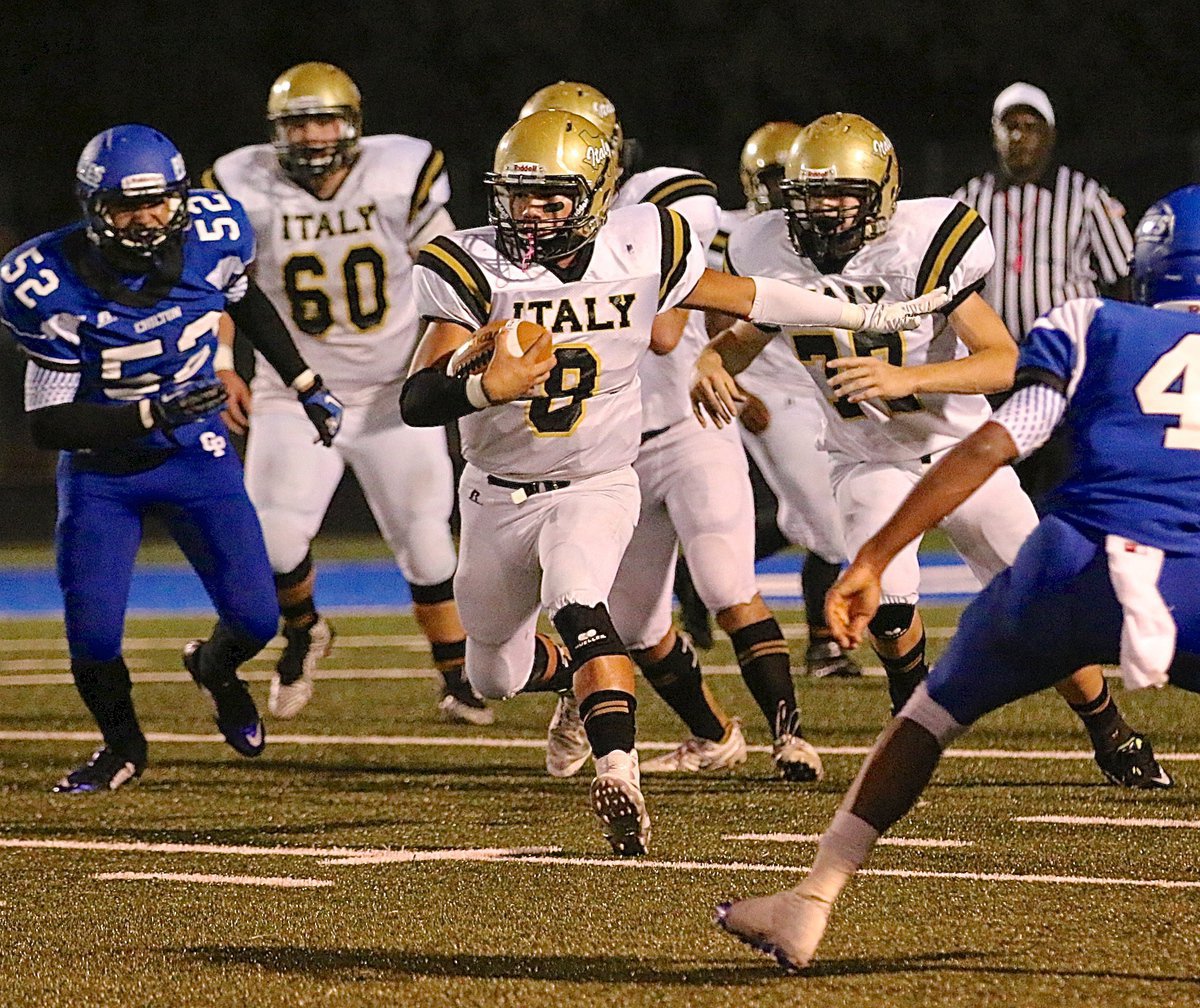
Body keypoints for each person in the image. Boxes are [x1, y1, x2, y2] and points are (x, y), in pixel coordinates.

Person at [400, 108, 945, 853]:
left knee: (579, 597)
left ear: (596, 198)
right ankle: (565, 681)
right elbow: (415, 398)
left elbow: (754, 297)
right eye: (517, 196)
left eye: (551, 199)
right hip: (495, 491)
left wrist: (864, 308)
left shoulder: (639, 241)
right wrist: (484, 388)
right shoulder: (471, 264)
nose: (529, 215)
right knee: (492, 673)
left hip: (596, 479)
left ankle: (619, 770)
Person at [713, 184, 1200, 972]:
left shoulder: (1091, 322)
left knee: (929, 717)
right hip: (1188, 570)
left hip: (1076, 561)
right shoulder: (782, 256)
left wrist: (868, 558)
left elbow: (1001, 437)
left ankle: (811, 902)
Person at [692, 113, 1166, 786]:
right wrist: (712, 359)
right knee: (886, 600)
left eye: (840, 196)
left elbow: (1004, 361)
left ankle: (1109, 728)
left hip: (958, 449)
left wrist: (907, 376)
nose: (822, 212)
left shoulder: (922, 243)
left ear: (880, 194)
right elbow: (747, 334)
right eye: (809, 196)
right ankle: (911, 715)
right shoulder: (772, 249)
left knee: (1042, 603)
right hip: (864, 456)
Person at [0, 124, 343, 792]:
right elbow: (47, 424)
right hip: (103, 473)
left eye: (158, 200)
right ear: (92, 208)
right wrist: (149, 414)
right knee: (93, 640)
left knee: (255, 619)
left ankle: (214, 667)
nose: (146, 217)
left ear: (181, 195)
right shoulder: (49, 280)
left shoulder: (216, 232)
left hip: (194, 455)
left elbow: (248, 301)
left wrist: (306, 383)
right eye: (127, 206)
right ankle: (122, 746)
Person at [514, 85, 824, 782]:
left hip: (688, 429)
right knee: (635, 625)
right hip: (610, 451)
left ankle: (793, 740)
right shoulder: (538, 229)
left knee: (725, 583)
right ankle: (715, 736)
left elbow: (662, 332)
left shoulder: (665, 198)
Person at [203, 62, 490, 725]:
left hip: (393, 392)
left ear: (353, 123)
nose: (311, 135)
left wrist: (460, 346)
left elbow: (448, 271)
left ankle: (456, 675)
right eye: (297, 122)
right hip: (296, 393)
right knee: (271, 541)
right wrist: (221, 361)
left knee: (427, 544)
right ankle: (305, 631)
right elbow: (223, 284)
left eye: (323, 119)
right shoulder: (242, 186)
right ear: (276, 131)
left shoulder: (399, 174)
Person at [716, 121, 859, 679]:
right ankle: (825, 643)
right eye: (775, 178)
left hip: (823, 389)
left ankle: (702, 578)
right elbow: (715, 326)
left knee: (810, 520)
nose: (784, 191)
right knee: (831, 526)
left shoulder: (826, 233)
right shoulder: (741, 237)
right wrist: (741, 389)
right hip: (774, 393)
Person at [953, 82, 1134, 508]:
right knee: (1001, 492)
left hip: (1067, 365)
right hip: (996, 367)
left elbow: (1121, 279)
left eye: (1030, 126)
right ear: (994, 133)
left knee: (1064, 479)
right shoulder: (969, 200)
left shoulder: (1085, 197)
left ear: (1048, 135)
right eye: (1009, 126)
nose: (1019, 136)